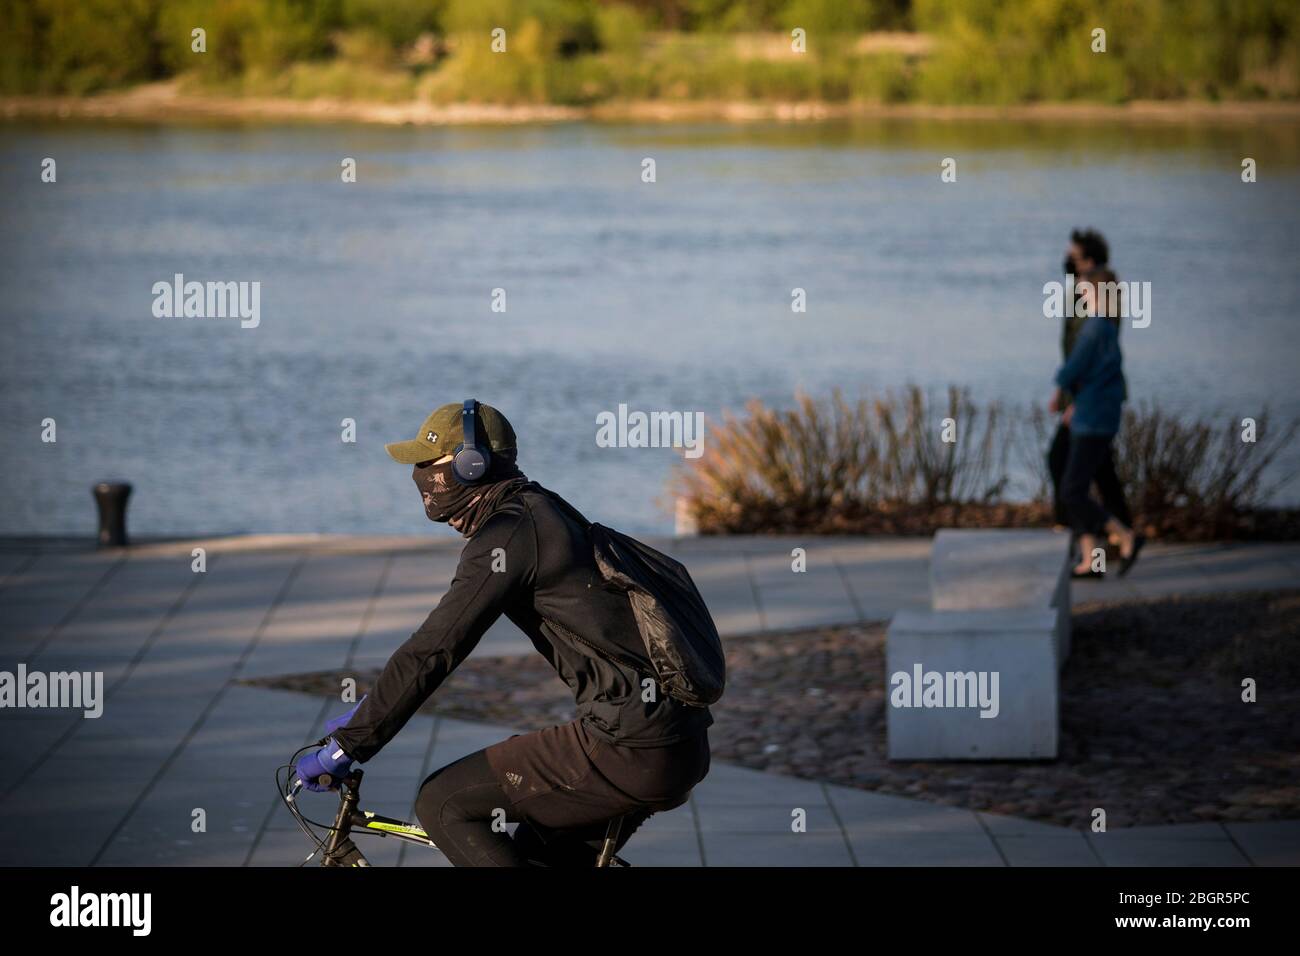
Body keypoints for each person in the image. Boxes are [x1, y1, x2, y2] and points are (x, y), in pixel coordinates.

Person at [295, 400, 713, 866]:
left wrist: (350, 745)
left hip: (629, 746)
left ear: (470, 465)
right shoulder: (540, 507)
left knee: (444, 804)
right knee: (537, 855)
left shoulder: (510, 533)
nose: (419, 478)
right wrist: (365, 717)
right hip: (671, 742)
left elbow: (434, 649)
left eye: (427, 465)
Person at [1049, 277, 1144, 578]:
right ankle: (1092, 559)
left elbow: (1072, 369)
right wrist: (1075, 403)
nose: (1081, 295)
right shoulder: (1106, 328)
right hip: (1089, 415)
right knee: (1077, 484)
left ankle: (1125, 535)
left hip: (1092, 421)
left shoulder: (1094, 329)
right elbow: (1101, 377)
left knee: (1073, 490)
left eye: (1086, 291)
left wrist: (1062, 389)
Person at [1048, 229, 1132, 536]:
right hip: (1090, 398)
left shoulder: (1098, 298)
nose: (1068, 260)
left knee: (1062, 460)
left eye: (1074, 256)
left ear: (1089, 260)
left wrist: (1073, 399)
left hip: (1089, 399)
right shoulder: (1088, 290)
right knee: (1099, 468)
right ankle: (1115, 533)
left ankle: (1081, 530)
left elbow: (1086, 360)